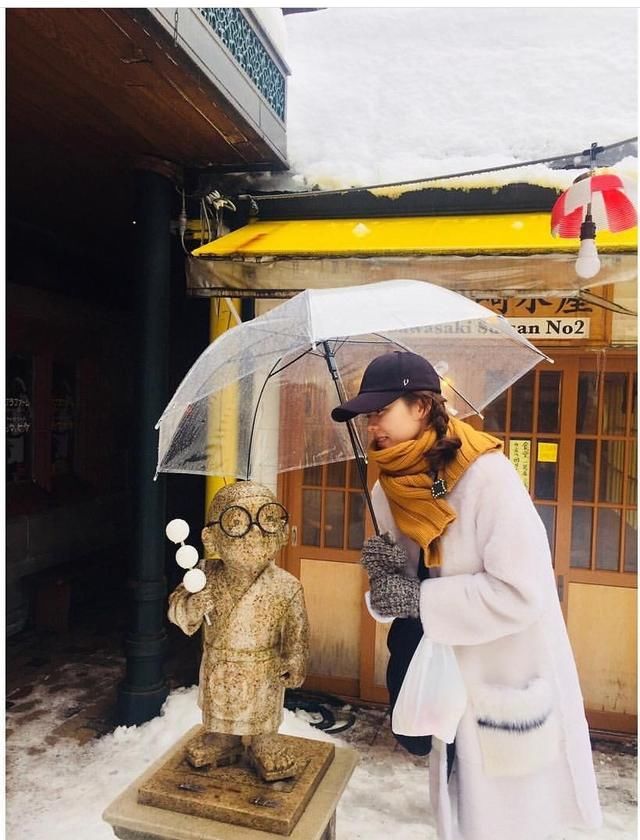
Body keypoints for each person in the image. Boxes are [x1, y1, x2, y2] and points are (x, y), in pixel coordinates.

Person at [331, 351, 602, 840]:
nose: (372, 426)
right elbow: (405, 594)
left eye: (381, 411)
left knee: (504, 823)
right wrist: (384, 582)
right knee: (454, 811)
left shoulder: (487, 477)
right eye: (367, 416)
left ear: (420, 406)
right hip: (441, 678)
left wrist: (420, 600)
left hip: (500, 680)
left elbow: (522, 592)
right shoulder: (389, 488)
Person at [168, 480, 310, 782]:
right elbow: (176, 608)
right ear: (211, 537)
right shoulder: (202, 576)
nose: (255, 533)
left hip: (264, 668)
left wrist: (295, 660)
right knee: (220, 714)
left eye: (268, 520)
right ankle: (222, 738)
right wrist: (193, 606)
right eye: (237, 523)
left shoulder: (287, 586)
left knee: (263, 715)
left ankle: (264, 741)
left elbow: (297, 635)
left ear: (283, 532)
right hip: (219, 666)